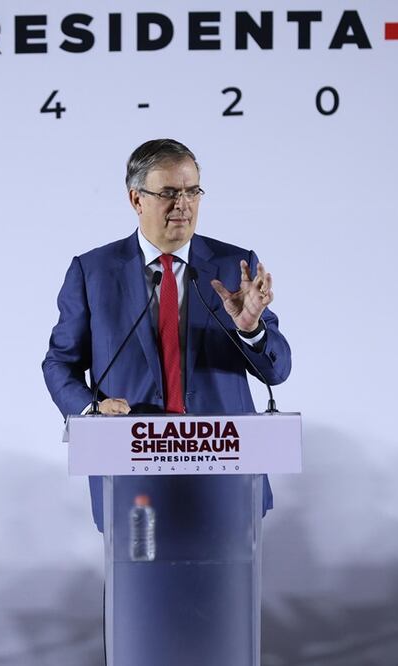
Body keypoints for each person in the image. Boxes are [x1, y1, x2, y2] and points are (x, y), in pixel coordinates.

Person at [41, 138, 292, 529]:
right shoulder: (93, 271)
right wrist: (92, 412)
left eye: (193, 191)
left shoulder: (233, 266)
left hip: (225, 474)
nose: (184, 205)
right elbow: (60, 363)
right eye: (169, 193)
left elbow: (277, 371)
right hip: (130, 475)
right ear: (136, 200)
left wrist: (252, 329)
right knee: (142, 591)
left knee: (223, 589)